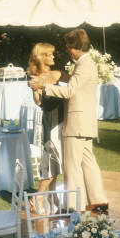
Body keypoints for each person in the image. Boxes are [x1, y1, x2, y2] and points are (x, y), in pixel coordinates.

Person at [29, 29, 108, 213]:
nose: (67, 50)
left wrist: (43, 86)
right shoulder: (86, 63)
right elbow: (75, 85)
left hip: (76, 123)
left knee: (72, 168)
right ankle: (99, 204)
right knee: (89, 165)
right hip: (84, 122)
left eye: (69, 46)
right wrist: (57, 77)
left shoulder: (84, 64)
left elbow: (69, 91)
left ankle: (74, 208)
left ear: (77, 47)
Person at [27, 43, 64, 214]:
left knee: (57, 161)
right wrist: (39, 88)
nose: (53, 57)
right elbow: (39, 102)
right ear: (42, 56)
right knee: (51, 159)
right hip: (52, 119)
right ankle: (37, 197)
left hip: (61, 119)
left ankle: (52, 195)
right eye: (49, 55)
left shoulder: (54, 74)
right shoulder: (36, 77)